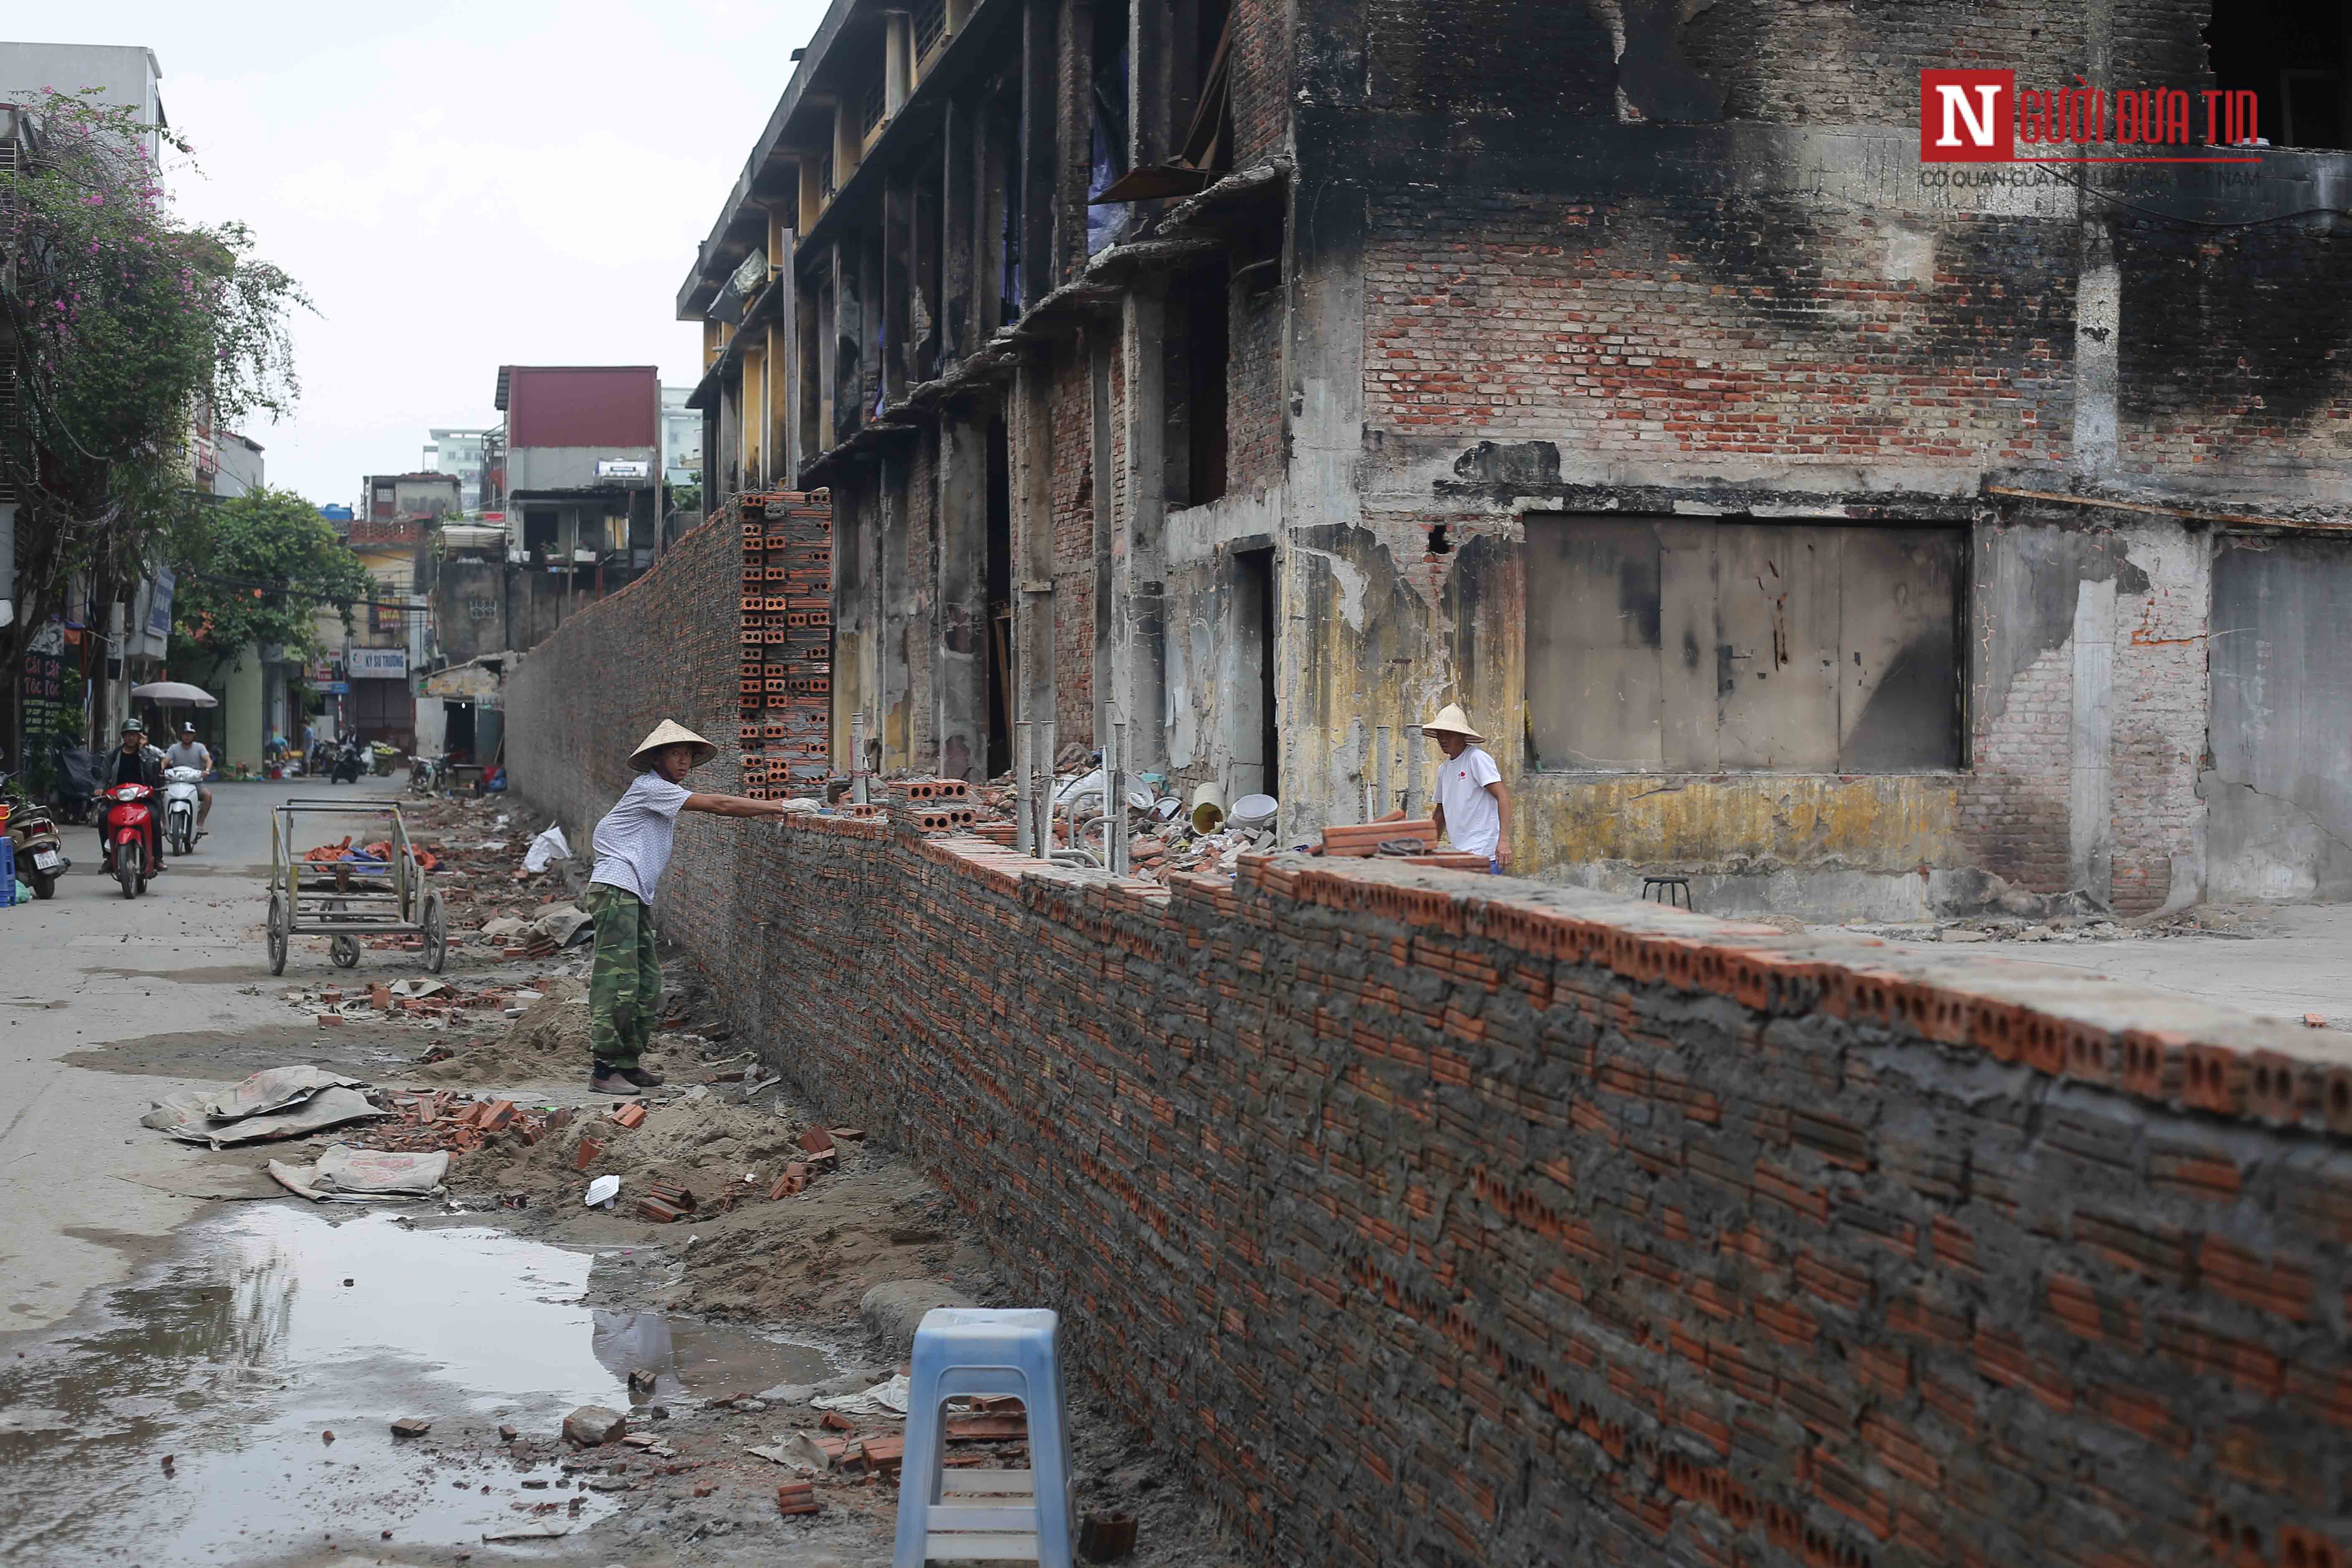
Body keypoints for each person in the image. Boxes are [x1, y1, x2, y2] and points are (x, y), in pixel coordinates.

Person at [584, 721, 789, 1096]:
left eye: (688, 755)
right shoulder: (650, 787)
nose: (683, 762)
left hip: (632, 893)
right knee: (617, 982)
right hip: (616, 889)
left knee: (647, 981)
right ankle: (604, 1069)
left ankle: (628, 1063)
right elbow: (720, 804)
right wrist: (779, 806)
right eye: (675, 753)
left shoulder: (662, 791)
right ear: (657, 758)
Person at [1424, 703, 1513, 873]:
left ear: (1462, 736)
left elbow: (1504, 798)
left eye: (1449, 734)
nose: (1443, 739)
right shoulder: (1444, 769)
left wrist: (1504, 842)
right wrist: (1429, 846)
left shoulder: (1476, 759)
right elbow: (1440, 812)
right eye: (1440, 734)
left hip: (1484, 855)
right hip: (1461, 855)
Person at [100, 720, 167, 874]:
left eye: (135, 735)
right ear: (123, 737)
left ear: (140, 737)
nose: (132, 738)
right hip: (118, 799)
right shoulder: (114, 755)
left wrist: (143, 751)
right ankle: (109, 857)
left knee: (154, 818)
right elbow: (104, 777)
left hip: (144, 799)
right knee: (104, 817)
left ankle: (157, 858)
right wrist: (99, 789)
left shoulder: (148, 754)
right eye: (128, 735)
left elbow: (155, 772)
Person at [165, 722, 214, 836]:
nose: (187, 737)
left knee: (208, 796)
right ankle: (164, 824)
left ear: (194, 735)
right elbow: (165, 761)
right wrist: (160, 769)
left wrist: (207, 770)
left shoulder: (200, 747)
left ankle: (200, 824)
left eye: (190, 734)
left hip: (195, 783)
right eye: (185, 734)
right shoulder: (174, 748)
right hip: (176, 783)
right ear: (180, 735)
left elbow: (208, 760)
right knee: (162, 796)